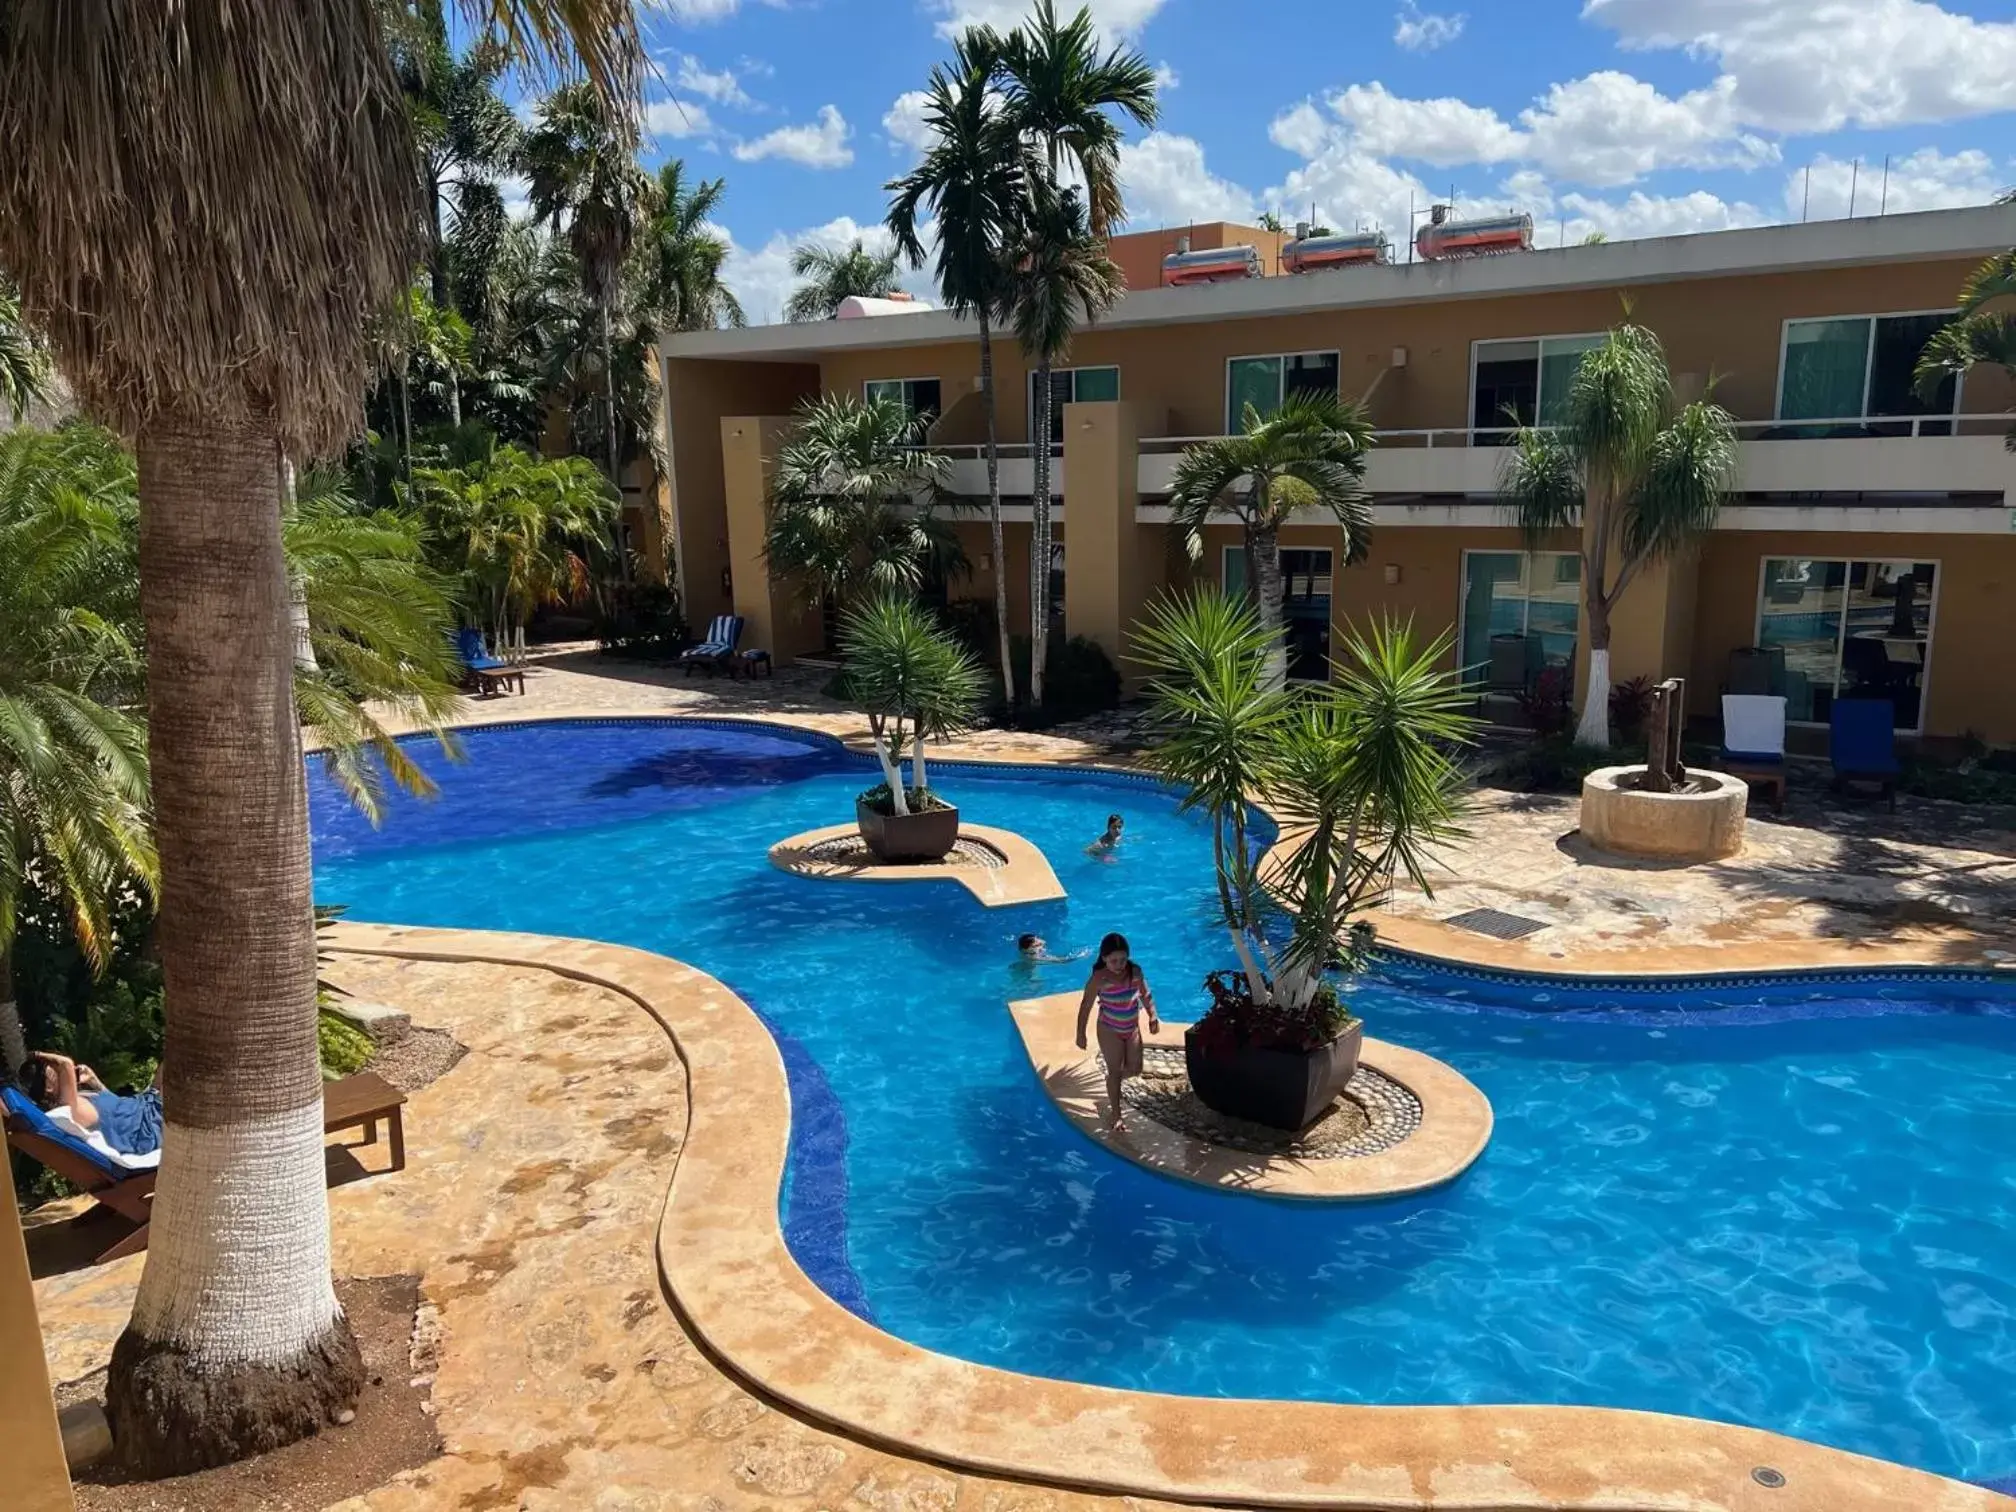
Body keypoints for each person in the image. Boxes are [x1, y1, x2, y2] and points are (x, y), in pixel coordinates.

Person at [1075, 932, 1158, 1131]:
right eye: (1113, 961)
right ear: (1104, 959)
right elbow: (1086, 1005)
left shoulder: (1135, 972)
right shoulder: (1099, 978)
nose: (1119, 965)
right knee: (1115, 1070)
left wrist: (1152, 1015)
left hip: (1131, 1028)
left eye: (1123, 959)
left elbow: (1146, 995)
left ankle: (1112, 1081)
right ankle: (1116, 1113)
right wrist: (1080, 1033)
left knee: (1136, 1069)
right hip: (1109, 1028)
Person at [16, 1051, 164, 1159]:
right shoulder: (68, 1110)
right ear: (48, 1088)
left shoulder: (78, 1099)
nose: (57, 1069)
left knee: (173, 1058)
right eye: (53, 1072)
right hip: (148, 1125)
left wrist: (95, 1081)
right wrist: (36, 1054)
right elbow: (65, 1063)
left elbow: (115, 1106)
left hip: (145, 1106)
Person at [1017, 933, 1083, 965]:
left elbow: (1043, 942)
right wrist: (1080, 956)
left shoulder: (1023, 949)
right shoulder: (1034, 957)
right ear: (1029, 948)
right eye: (1036, 945)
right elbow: (1062, 961)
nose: (1041, 944)